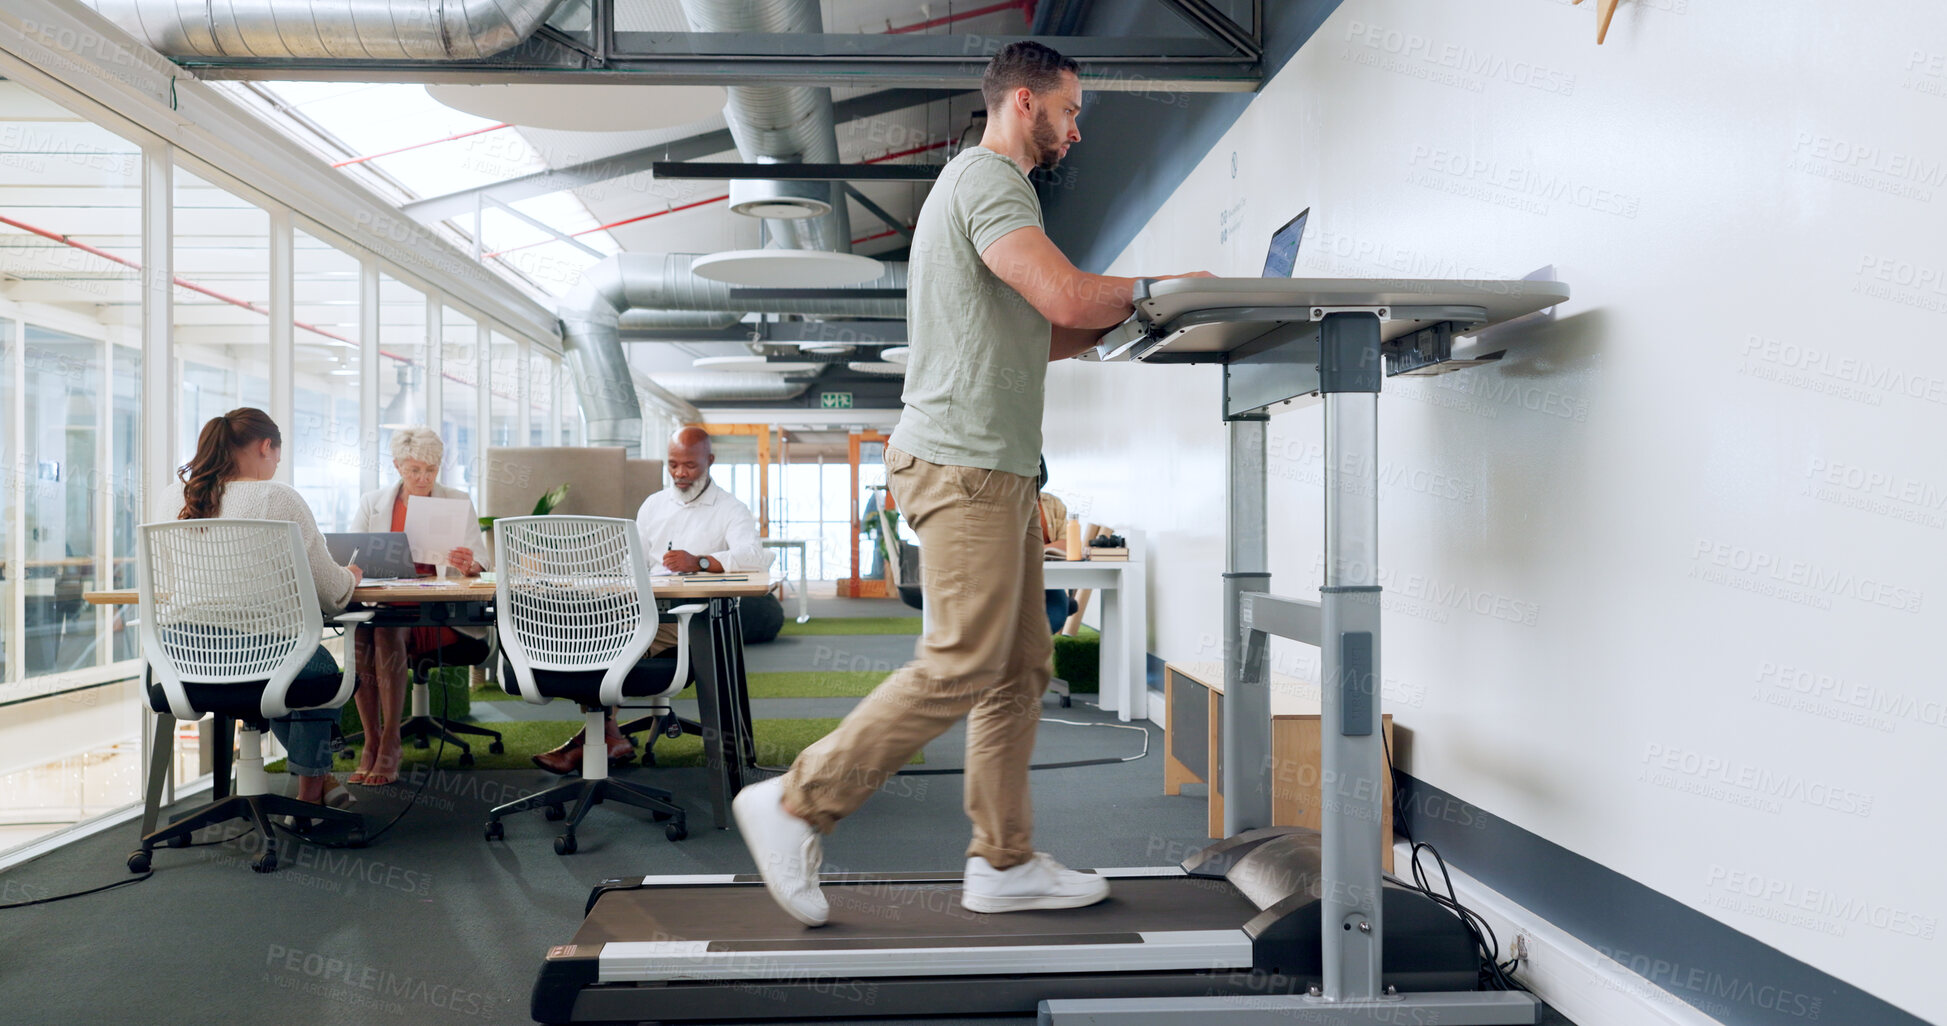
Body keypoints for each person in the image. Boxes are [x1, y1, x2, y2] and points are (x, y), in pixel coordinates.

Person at [732, 41, 1213, 926]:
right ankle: (799, 801)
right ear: (1024, 101)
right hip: (963, 464)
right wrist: (1162, 287)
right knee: (963, 661)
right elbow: (1067, 299)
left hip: (993, 466)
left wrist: (1143, 310)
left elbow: (1050, 331)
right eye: (1069, 112)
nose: (1074, 133)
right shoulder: (990, 178)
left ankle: (1003, 860)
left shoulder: (982, 191)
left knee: (1019, 669)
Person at [530, 426, 774, 774]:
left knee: (608, 638)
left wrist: (701, 561)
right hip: (648, 610)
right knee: (591, 630)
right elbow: (634, 564)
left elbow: (753, 557)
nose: (680, 473)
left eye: (689, 465)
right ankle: (606, 733)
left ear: (710, 461)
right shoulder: (653, 505)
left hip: (694, 617)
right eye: (673, 465)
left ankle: (601, 736)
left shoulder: (730, 508)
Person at [172, 408, 361, 808]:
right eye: (278, 453)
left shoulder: (184, 499)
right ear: (264, 446)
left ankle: (319, 783)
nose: (278, 462)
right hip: (263, 657)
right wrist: (353, 577)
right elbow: (331, 592)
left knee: (283, 660)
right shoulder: (277, 498)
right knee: (315, 666)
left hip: (183, 660)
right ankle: (310, 797)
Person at [347, 427, 490, 787]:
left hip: (438, 615)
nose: (423, 478)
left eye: (431, 469)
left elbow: (482, 564)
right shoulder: (373, 502)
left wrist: (470, 564)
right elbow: (350, 559)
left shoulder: (457, 501)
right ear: (397, 466)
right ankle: (372, 739)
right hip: (386, 605)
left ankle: (392, 740)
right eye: (414, 470)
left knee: (384, 631)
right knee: (362, 634)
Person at [1036, 457, 1079, 633]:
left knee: (1054, 615)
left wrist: (1034, 551)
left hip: (1048, 579)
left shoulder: (1053, 503)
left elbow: (1067, 544)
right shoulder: (1000, 504)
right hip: (1011, 581)